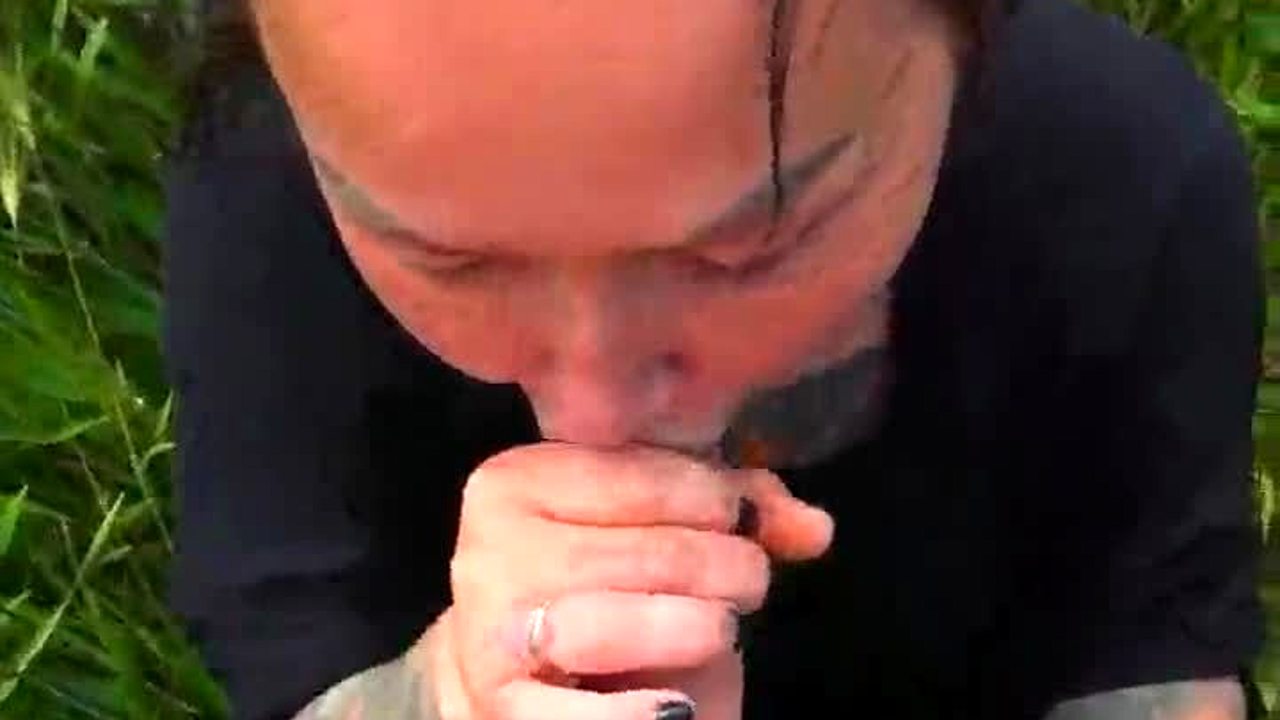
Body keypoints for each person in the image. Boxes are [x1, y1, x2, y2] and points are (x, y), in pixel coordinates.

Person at [162, 0, 1267, 717]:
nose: (589, 411)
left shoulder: (1118, 181)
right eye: (445, 262)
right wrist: (441, 695)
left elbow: (1147, 659)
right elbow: (304, 662)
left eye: (747, 252)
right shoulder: (266, 200)